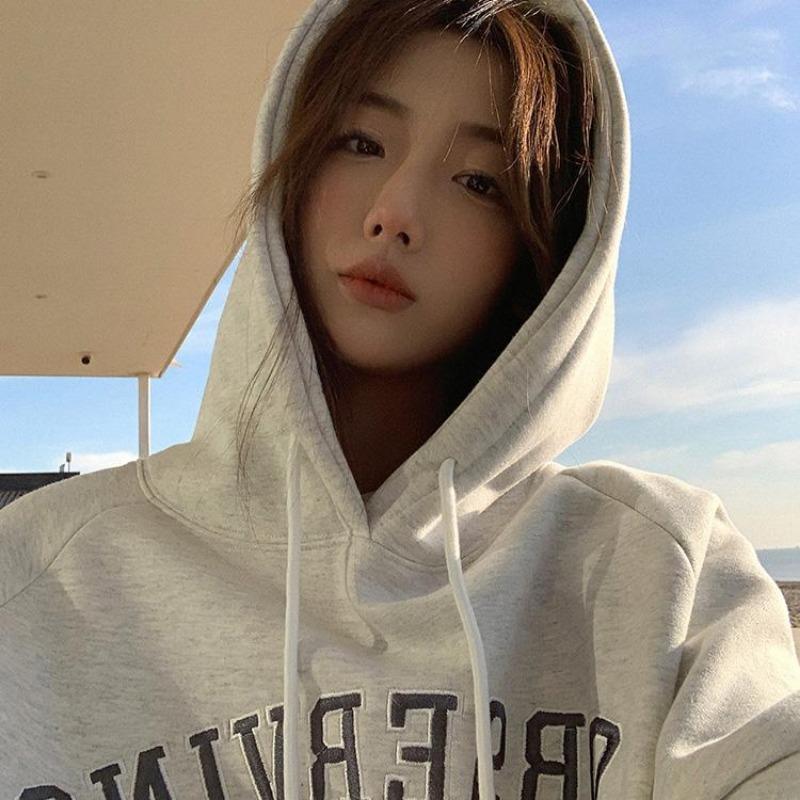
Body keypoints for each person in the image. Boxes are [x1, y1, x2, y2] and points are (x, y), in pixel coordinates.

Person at [1, 0, 798, 796]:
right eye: (361, 142)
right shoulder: (39, 576)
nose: (396, 214)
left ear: (543, 250)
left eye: (479, 182)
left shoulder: (660, 568)